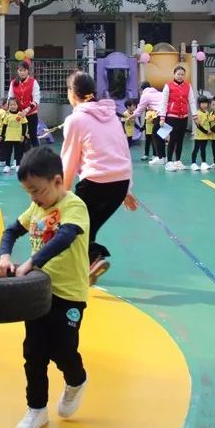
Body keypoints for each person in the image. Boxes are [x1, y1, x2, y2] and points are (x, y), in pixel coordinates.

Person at [0, 147, 92, 428]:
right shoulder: (36, 207)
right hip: (38, 293)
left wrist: (32, 262)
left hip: (69, 295)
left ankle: (77, 380)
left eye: (38, 190)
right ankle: (36, 409)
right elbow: (11, 231)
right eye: (28, 192)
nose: (34, 197)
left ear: (58, 181)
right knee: (33, 352)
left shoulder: (74, 206)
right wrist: (4, 257)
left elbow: (65, 236)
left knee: (63, 350)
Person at [59, 71, 136, 283]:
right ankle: (87, 266)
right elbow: (124, 152)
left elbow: (69, 159)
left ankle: (94, 257)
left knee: (70, 224)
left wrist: (61, 195)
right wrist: (127, 189)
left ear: (72, 93)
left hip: (96, 183)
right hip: (119, 184)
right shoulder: (112, 115)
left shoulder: (75, 120)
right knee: (87, 227)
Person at [159, 65, 198, 172]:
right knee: (172, 139)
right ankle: (169, 162)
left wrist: (195, 115)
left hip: (184, 117)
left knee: (181, 139)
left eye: (182, 74)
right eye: (178, 74)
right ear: (174, 74)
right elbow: (164, 102)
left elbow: (191, 101)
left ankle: (178, 161)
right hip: (172, 116)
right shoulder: (168, 86)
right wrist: (162, 117)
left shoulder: (188, 86)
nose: (180, 76)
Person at [8, 62, 41, 149]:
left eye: (24, 70)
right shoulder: (13, 83)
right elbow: (10, 98)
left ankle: (38, 158)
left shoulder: (33, 82)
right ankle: (19, 160)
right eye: (20, 70)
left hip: (31, 114)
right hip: (18, 115)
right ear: (17, 71)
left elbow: (36, 100)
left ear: (28, 71)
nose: (22, 72)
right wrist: (10, 111)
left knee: (32, 136)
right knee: (19, 137)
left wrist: (26, 110)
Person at [132, 81, 166, 165]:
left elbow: (140, 109)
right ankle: (164, 157)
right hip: (167, 114)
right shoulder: (158, 93)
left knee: (155, 134)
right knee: (162, 136)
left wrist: (132, 115)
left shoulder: (145, 94)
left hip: (161, 114)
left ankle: (160, 157)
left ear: (141, 89)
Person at [0, 99, 28, 173]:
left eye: (14, 105)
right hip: (8, 138)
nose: (12, 106)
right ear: (8, 106)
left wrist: (23, 135)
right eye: (11, 105)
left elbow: (24, 125)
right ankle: (7, 166)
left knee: (18, 152)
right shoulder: (7, 115)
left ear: (17, 105)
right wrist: (2, 136)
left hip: (18, 138)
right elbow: (4, 126)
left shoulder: (21, 114)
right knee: (8, 152)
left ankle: (18, 165)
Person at [190, 96, 211, 171]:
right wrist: (206, 131)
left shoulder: (207, 113)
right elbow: (198, 126)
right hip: (199, 135)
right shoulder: (197, 113)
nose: (204, 105)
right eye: (202, 103)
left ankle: (203, 163)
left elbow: (208, 123)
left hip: (205, 135)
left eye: (206, 103)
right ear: (199, 104)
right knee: (196, 149)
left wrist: (209, 130)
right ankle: (193, 163)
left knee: (203, 149)